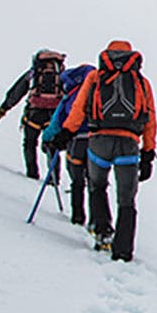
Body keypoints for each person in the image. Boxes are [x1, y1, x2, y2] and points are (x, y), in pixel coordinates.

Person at [50, 40, 157, 261]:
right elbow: (150, 119)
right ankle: (123, 251)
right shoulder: (141, 82)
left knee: (97, 186)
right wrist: (148, 153)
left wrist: (65, 133)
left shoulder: (95, 77)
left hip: (99, 140)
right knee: (127, 199)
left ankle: (102, 233)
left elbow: (79, 108)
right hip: (128, 142)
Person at [39, 61, 97, 226]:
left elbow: (58, 119)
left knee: (77, 180)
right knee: (95, 182)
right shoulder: (100, 90)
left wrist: (48, 139)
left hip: (76, 139)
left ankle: (78, 217)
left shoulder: (72, 93)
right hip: (97, 141)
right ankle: (97, 221)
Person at [0, 49, 68, 180]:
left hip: (34, 113)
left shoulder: (34, 72)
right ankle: (54, 177)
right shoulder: (61, 73)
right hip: (54, 115)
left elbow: (18, 91)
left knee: (29, 143)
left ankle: (32, 173)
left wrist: (5, 107)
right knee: (51, 146)